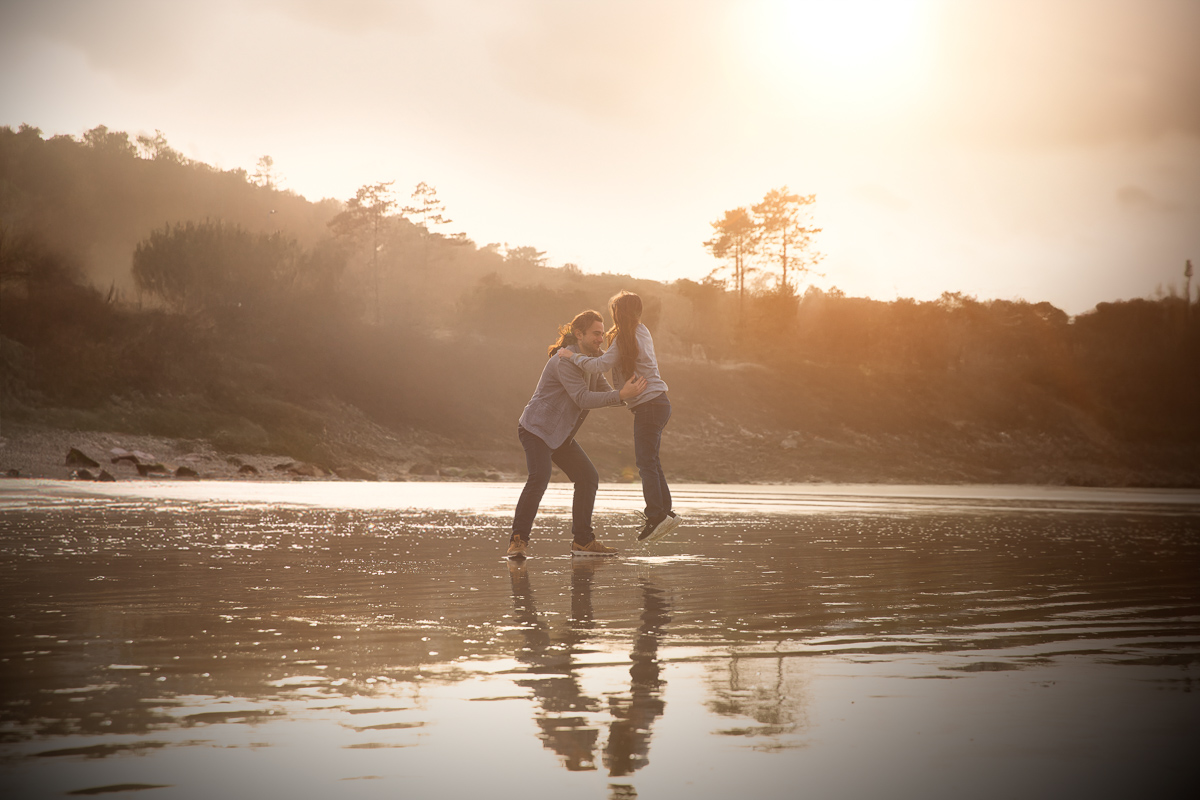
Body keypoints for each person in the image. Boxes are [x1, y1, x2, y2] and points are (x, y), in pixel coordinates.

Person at [509, 310, 648, 559]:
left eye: (603, 334)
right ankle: (518, 541)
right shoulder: (565, 361)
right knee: (539, 478)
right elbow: (583, 398)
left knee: (588, 478)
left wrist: (635, 396)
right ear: (578, 334)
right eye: (596, 334)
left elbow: (608, 393)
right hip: (536, 429)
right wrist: (621, 395)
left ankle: (582, 542)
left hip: (562, 435)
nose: (601, 339)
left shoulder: (593, 362)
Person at [556, 291, 680, 542]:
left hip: (649, 406)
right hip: (660, 403)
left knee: (646, 463)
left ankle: (656, 515)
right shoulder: (641, 331)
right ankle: (666, 512)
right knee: (651, 461)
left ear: (617, 313)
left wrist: (570, 355)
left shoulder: (625, 337)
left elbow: (598, 365)